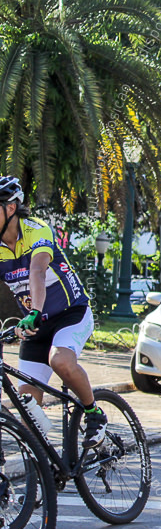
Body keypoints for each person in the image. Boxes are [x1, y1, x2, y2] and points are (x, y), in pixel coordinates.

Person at [0, 176, 106, 448]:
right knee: (27, 407)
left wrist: (35, 310)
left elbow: (37, 271)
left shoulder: (37, 229)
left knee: (60, 361)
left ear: (10, 208)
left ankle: (94, 414)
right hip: (36, 326)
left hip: (70, 313)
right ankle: (45, 467)